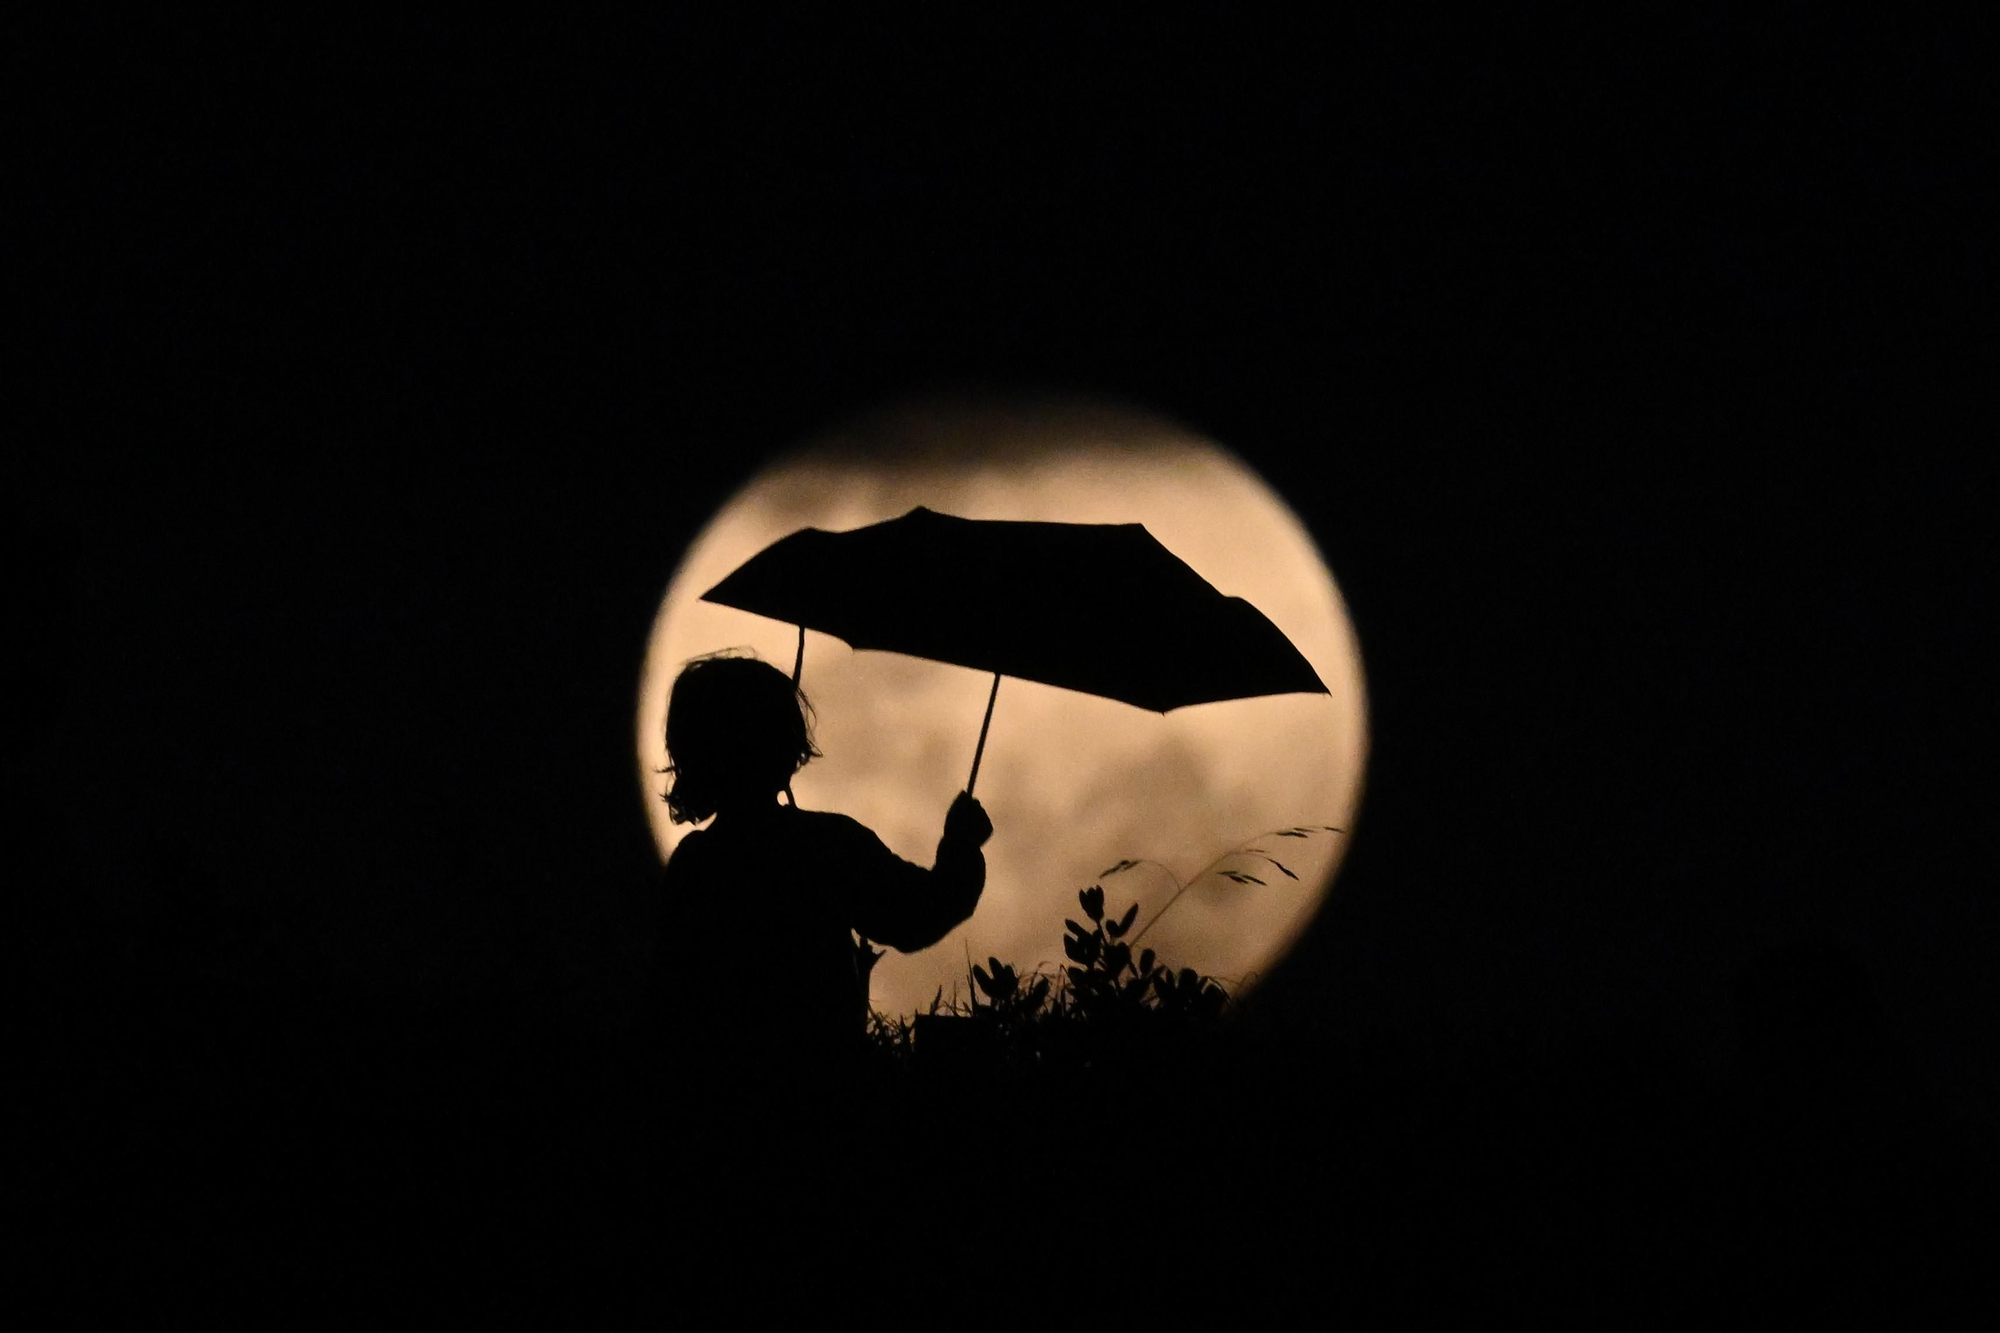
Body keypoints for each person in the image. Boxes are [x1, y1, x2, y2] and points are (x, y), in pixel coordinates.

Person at [646, 652, 992, 1099]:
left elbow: (668, 1002)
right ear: (784, 743)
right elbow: (917, 915)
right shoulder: (825, 844)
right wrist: (961, 847)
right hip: (821, 1090)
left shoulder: (694, 864)